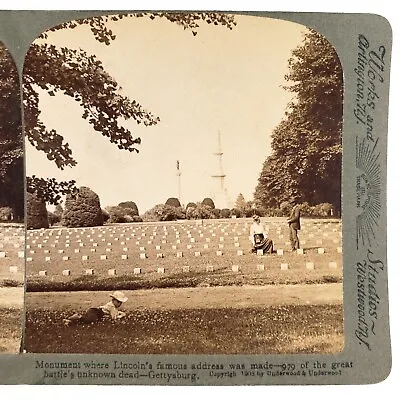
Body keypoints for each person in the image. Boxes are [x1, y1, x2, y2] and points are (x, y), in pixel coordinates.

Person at [63, 290, 128, 326]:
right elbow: (114, 318)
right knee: (91, 320)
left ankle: (70, 322)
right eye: (118, 302)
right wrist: (122, 316)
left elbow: (115, 312)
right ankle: (78, 316)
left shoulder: (112, 306)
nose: (120, 304)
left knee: (86, 322)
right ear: (113, 300)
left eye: (121, 302)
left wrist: (121, 313)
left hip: (95, 311)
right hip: (96, 312)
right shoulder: (112, 307)